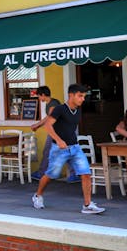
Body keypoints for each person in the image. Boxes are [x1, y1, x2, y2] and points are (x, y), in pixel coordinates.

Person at [31, 84, 105, 214]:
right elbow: (48, 125)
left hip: (75, 148)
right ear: (71, 95)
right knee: (51, 175)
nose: (83, 99)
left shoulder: (78, 110)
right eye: (80, 96)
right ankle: (37, 195)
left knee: (86, 173)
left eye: (84, 96)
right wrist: (59, 140)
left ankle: (87, 205)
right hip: (59, 149)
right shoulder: (59, 109)